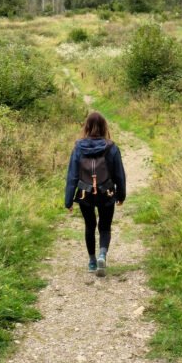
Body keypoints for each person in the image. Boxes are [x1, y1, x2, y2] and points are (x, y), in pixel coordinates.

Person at [65, 111, 126, 276]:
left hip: (85, 194)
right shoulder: (111, 147)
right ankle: (102, 255)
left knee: (89, 226)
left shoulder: (78, 147)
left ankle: (92, 261)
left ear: (87, 126)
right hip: (106, 192)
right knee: (105, 227)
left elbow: (72, 175)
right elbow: (119, 174)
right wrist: (121, 195)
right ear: (104, 126)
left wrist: (69, 200)